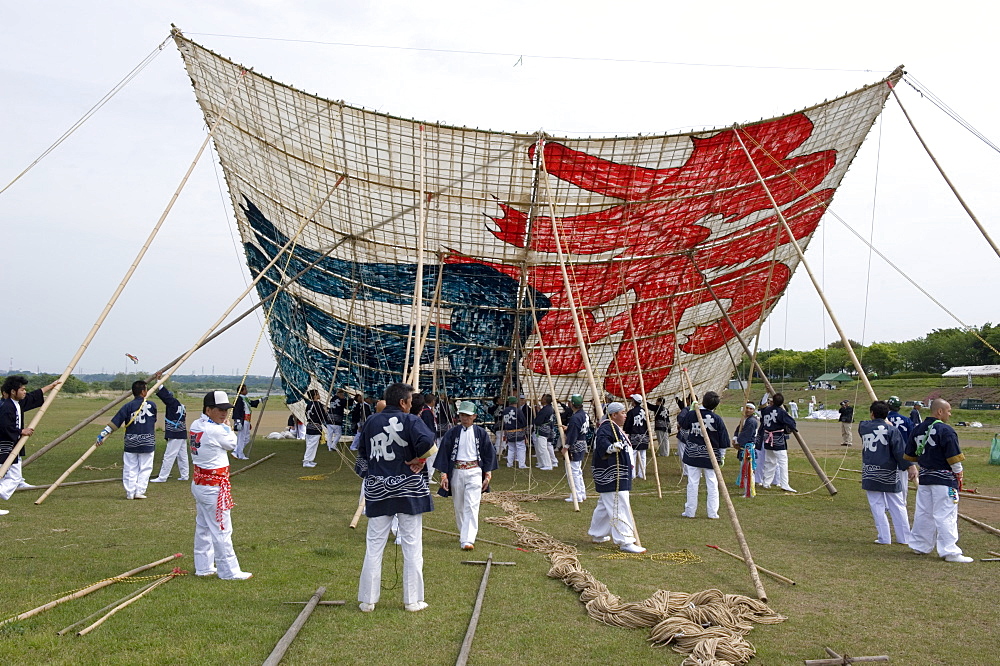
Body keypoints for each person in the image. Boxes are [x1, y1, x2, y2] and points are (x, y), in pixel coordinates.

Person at [356, 382, 438, 612]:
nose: (411, 405)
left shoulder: (372, 421)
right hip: (408, 490)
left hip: (378, 490)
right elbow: (430, 445)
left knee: (374, 545)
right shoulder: (411, 420)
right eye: (410, 401)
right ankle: (412, 601)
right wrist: (419, 461)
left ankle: (367, 600)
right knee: (412, 546)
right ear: (402, 402)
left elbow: (363, 453)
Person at [189, 390, 252, 579]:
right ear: (208, 410)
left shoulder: (196, 424)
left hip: (201, 484)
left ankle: (203, 567)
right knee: (222, 529)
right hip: (212, 486)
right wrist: (228, 427)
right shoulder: (215, 430)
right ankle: (229, 571)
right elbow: (232, 443)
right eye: (219, 409)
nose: (224, 413)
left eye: (226, 409)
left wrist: (223, 425)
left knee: (204, 526)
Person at [904, 399, 972, 562]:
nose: (950, 413)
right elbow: (953, 458)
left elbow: (910, 456)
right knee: (946, 514)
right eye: (948, 410)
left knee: (924, 513)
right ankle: (950, 551)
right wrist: (959, 473)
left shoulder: (918, 429)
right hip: (944, 480)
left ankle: (920, 545)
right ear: (939, 412)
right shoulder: (945, 430)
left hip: (925, 478)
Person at [434, 401, 497, 550]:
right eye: (462, 415)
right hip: (457, 471)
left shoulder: (481, 433)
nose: (465, 418)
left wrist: (487, 474)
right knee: (459, 505)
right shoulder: (452, 432)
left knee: (472, 505)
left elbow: (489, 453)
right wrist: (444, 475)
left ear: (474, 416)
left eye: (468, 415)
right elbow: (444, 452)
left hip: (474, 471)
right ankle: (464, 533)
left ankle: (468, 539)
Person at [588, 402, 645, 553]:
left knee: (605, 506)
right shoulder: (606, 427)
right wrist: (610, 448)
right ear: (614, 415)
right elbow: (602, 445)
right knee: (619, 505)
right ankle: (625, 541)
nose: (625, 415)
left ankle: (597, 534)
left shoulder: (615, 428)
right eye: (622, 413)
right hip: (612, 475)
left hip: (616, 474)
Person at [0, 376, 60, 514]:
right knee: (13, 477)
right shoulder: (6, 407)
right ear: (13, 391)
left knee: (12, 475)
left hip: (13, 445)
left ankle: (19, 481)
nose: (25, 392)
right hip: (5, 445)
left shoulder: (17, 403)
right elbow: (4, 427)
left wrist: (50, 387)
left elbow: (33, 397)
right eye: (22, 389)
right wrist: (21, 431)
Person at [860, 400, 916, 546]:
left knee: (877, 505)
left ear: (871, 413)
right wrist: (910, 466)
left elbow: (866, 423)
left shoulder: (864, 427)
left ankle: (884, 537)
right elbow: (899, 451)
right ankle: (904, 537)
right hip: (889, 472)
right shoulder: (892, 430)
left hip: (870, 471)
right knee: (897, 504)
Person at [96, 380, 158, 500]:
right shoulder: (152, 405)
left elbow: (115, 423)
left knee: (130, 467)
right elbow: (153, 420)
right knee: (145, 467)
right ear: (144, 392)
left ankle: (130, 492)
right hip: (147, 441)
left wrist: (102, 434)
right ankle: (139, 491)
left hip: (131, 442)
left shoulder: (127, 406)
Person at [680, 391, 730, 519]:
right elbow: (723, 440)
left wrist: (689, 410)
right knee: (712, 483)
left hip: (694, 453)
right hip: (710, 455)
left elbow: (682, 422)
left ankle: (691, 511)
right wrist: (722, 455)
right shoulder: (716, 419)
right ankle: (712, 513)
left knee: (692, 483)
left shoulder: (693, 415)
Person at [755, 392, 797, 492]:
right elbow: (792, 424)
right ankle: (784, 484)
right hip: (777, 438)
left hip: (767, 438)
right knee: (782, 461)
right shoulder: (781, 412)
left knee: (770, 461)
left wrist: (766, 393)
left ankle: (766, 482)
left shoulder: (765, 410)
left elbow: (762, 404)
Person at [150, 385, 189, 483]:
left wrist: (159, 384)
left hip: (175, 433)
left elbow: (165, 396)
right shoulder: (180, 405)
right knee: (182, 456)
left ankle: (162, 477)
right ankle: (185, 475)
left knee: (169, 455)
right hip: (181, 432)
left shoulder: (172, 403)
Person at [886, 395, 914, 503]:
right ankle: (902, 501)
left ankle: (888, 503)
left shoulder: (884, 420)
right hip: (903, 454)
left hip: (887, 454)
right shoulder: (906, 420)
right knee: (902, 480)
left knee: (887, 478)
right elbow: (912, 438)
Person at [561, 395, 589, 503]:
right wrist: (569, 428)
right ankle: (581, 493)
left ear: (572, 404)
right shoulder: (584, 415)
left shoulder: (575, 417)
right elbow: (577, 429)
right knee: (577, 470)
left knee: (573, 471)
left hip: (575, 444)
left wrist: (566, 446)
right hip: (582, 442)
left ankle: (576, 495)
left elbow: (573, 434)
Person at [733, 402, 758, 498]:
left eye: (750, 408)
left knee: (748, 470)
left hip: (748, 448)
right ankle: (747, 490)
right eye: (746, 408)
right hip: (744, 448)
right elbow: (739, 429)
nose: (748, 410)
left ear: (753, 410)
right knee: (744, 469)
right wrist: (735, 438)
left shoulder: (751, 421)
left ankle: (749, 492)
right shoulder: (744, 420)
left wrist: (738, 442)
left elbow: (746, 435)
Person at [624, 394, 651, 479]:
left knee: (633, 455)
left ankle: (632, 474)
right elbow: (648, 424)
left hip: (634, 435)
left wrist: (627, 432)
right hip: (644, 434)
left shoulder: (631, 413)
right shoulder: (645, 411)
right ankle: (642, 473)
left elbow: (627, 426)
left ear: (634, 402)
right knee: (643, 455)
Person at [231, 384, 261, 460]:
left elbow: (252, 403)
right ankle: (240, 454)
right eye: (245, 389)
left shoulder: (245, 399)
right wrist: (238, 421)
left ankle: (235, 451)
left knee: (247, 438)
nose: (246, 390)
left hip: (247, 420)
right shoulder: (239, 399)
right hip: (242, 420)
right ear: (241, 391)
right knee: (241, 438)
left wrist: (260, 400)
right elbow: (237, 411)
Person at [303, 389, 329, 468]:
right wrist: (325, 412)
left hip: (309, 426)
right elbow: (323, 417)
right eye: (317, 394)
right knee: (312, 444)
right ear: (315, 396)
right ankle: (306, 461)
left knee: (311, 444)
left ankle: (310, 460)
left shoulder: (309, 404)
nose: (319, 395)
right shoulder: (318, 405)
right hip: (315, 426)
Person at [500, 396, 528, 469]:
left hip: (509, 431)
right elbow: (523, 421)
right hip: (518, 431)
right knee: (521, 447)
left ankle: (509, 463)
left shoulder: (505, 411)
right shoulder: (518, 410)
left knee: (511, 448)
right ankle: (521, 464)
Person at [532, 393, 557, 471]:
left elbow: (539, 421)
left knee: (542, 448)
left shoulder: (546, 409)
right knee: (540, 447)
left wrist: (536, 421)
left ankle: (547, 464)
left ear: (545, 400)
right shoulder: (549, 409)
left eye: (543, 398)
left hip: (543, 430)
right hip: (546, 429)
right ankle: (542, 463)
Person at [419, 393, 440, 483]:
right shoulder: (426, 411)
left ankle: (429, 474)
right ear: (432, 401)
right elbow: (429, 425)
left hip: (430, 435)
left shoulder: (427, 410)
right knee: (431, 456)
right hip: (430, 436)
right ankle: (429, 475)